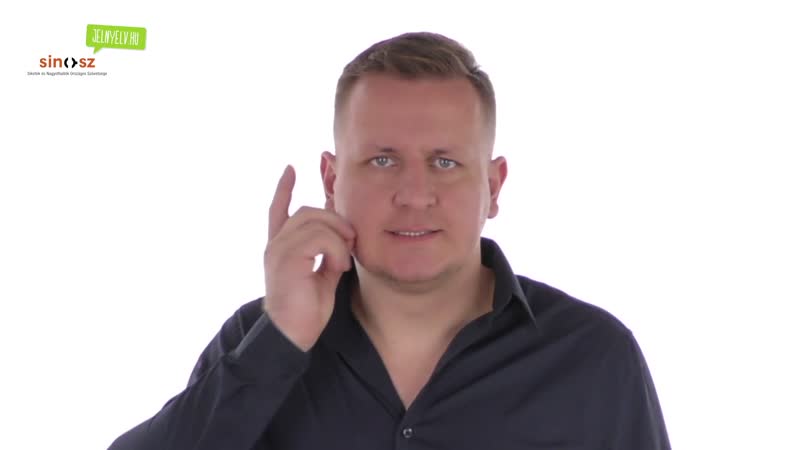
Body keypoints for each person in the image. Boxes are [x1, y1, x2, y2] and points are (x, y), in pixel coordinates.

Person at [108, 31, 671, 450]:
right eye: (382, 160)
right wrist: (279, 342)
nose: (414, 195)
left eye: (445, 162)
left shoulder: (593, 358)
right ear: (332, 181)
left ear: (494, 187)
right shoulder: (258, 339)